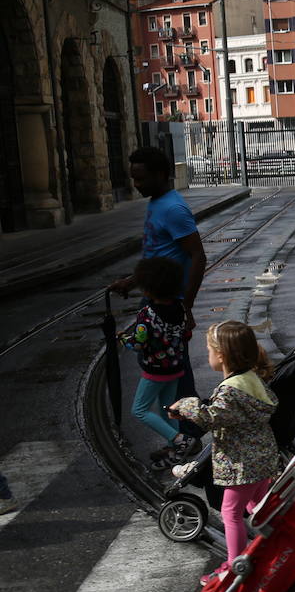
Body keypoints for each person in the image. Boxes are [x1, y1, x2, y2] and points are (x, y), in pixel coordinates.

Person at [170, 321, 280, 583]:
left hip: (241, 464)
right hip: (261, 459)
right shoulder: (250, 379)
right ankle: (278, 547)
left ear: (221, 355)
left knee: (231, 513)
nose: (207, 354)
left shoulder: (230, 390)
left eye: (209, 350)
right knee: (257, 507)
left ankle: (234, 567)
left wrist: (185, 405)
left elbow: (210, 418)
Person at [109, 147, 208, 403]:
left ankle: (187, 424)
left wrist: (185, 307)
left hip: (168, 304)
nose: (136, 184)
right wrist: (133, 281)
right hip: (155, 300)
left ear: (161, 174)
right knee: (163, 367)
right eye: (133, 178)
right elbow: (159, 256)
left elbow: (198, 256)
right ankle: (180, 422)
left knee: (173, 371)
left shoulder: (173, 209)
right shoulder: (156, 203)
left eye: (141, 179)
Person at [118, 257, 198, 469]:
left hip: (155, 371)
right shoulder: (180, 308)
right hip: (176, 367)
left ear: (147, 289)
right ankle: (175, 451)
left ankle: (181, 440)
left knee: (139, 410)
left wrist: (122, 338)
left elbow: (138, 344)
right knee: (167, 409)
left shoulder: (147, 314)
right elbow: (186, 334)